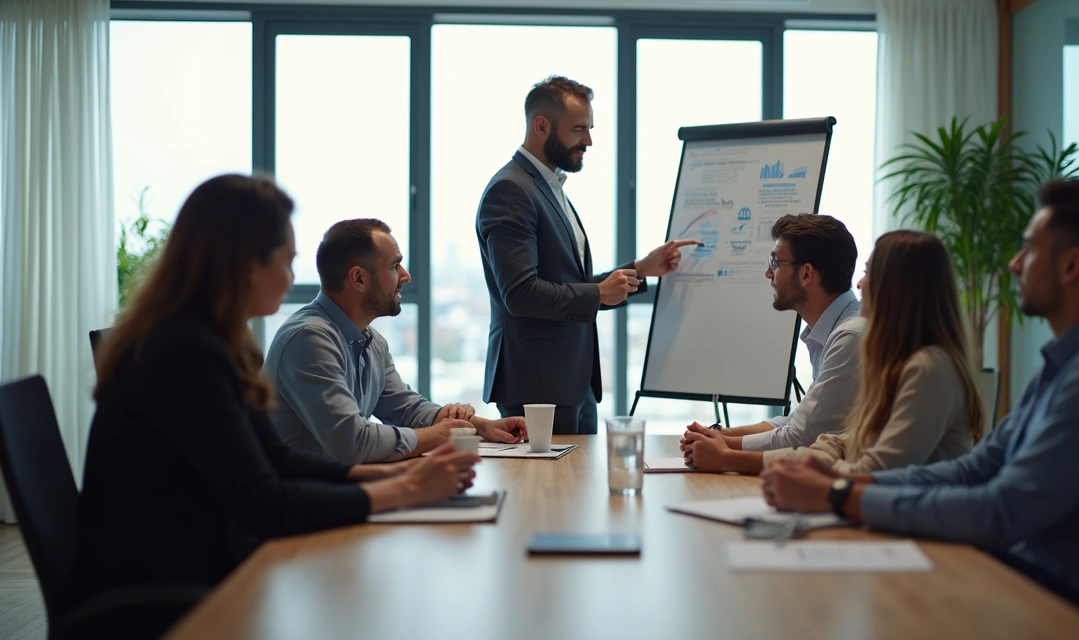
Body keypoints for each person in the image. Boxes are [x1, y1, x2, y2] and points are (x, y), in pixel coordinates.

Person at [761, 179, 1079, 623]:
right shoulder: (1067, 364)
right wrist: (851, 486)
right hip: (1029, 586)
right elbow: (974, 469)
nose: (1015, 264)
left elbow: (1000, 511)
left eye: (1030, 249)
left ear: (1072, 265)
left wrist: (840, 495)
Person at [77, 175, 478, 625]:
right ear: (246, 264)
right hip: (168, 594)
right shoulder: (183, 354)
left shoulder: (212, 340)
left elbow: (277, 458)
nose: (292, 278)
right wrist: (405, 489)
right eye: (286, 262)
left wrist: (397, 474)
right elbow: (264, 502)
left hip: (207, 562)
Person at [477, 75, 699, 434]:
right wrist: (598, 293)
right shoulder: (511, 190)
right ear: (541, 126)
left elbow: (568, 283)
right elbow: (520, 293)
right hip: (537, 390)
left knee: (580, 474)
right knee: (549, 476)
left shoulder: (548, 187)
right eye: (579, 129)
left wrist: (641, 269)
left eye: (590, 129)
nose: (589, 141)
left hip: (573, 385)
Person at [265, 219, 527, 465]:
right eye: (394, 266)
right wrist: (440, 435)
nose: (406, 275)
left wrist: (482, 427)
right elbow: (353, 441)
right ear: (358, 278)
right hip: (299, 495)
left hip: (338, 487)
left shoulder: (371, 341)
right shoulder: (309, 339)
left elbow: (407, 410)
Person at [752, 230, 983, 473]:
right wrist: (735, 454)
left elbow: (876, 471)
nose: (859, 284)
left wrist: (804, 470)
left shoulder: (928, 369)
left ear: (897, 288)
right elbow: (846, 440)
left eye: (869, 273)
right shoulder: (900, 362)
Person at [679, 213, 865, 474]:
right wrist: (719, 435)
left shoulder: (849, 336)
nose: (768, 272)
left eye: (775, 262)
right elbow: (797, 422)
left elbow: (802, 437)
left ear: (806, 274)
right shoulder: (836, 328)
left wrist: (723, 449)